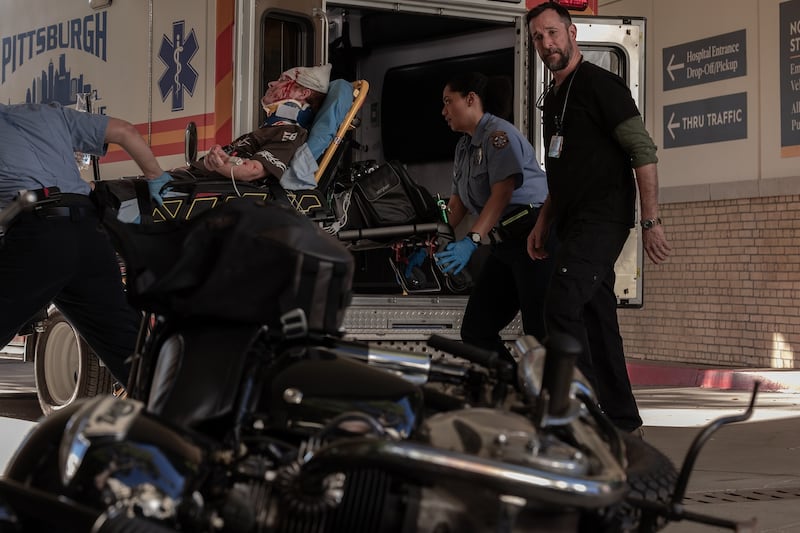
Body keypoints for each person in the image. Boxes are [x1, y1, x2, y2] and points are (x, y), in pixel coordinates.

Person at [526, 2, 672, 433]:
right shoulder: (553, 98)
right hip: (571, 221)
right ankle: (624, 422)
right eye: (538, 37)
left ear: (572, 33)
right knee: (597, 318)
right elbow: (561, 170)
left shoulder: (601, 85)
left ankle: (585, 417)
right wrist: (543, 222)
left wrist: (651, 221)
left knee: (562, 304)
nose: (546, 43)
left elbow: (643, 151)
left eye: (553, 33)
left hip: (603, 218)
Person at [0, 101, 173, 383]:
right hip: (91, 231)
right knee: (128, 348)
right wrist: (156, 176)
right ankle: (176, 404)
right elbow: (125, 131)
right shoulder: (46, 113)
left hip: (39, 234)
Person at [434, 72, 555, 364]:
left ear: (471, 99)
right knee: (476, 330)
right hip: (504, 244)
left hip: (533, 236)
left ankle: (553, 390)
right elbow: (457, 204)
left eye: (448, 101)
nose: (444, 111)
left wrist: (472, 240)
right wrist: (433, 235)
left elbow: (502, 193)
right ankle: (514, 386)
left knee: (540, 333)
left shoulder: (499, 136)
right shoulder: (464, 146)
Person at [195, 63, 332, 189]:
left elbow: (253, 170)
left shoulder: (290, 132)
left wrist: (219, 165)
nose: (271, 83)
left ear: (303, 93)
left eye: (283, 80)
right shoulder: (267, 131)